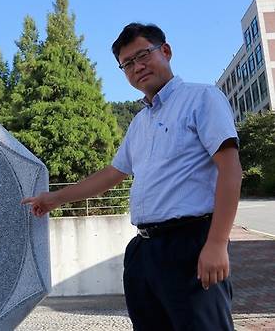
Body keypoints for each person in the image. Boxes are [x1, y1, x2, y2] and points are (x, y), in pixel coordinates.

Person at [21, 23, 242, 331]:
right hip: (143, 250)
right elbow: (112, 174)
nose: (137, 67)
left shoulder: (202, 99)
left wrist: (217, 243)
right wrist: (53, 199)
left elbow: (230, 168)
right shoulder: (139, 123)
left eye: (143, 55)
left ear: (165, 51)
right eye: (127, 64)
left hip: (190, 243)